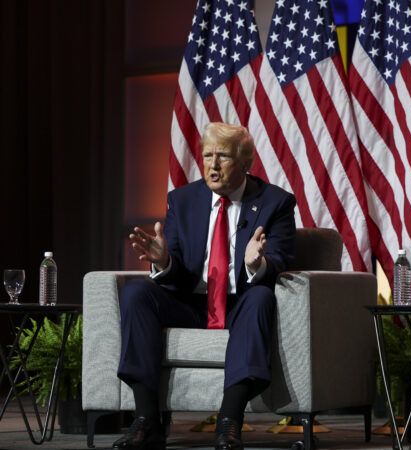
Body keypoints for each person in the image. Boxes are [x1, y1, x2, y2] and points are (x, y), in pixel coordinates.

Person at [113, 122, 296, 450]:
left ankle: (229, 423)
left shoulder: (275, 203)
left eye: (223, 156)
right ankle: (146, 422)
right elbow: (178, 272)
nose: (212, 165)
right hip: (190, 303)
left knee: (260, 297)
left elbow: (281, 258)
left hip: (240, 301)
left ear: (245, 162)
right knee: (136, 293)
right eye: (207, 155)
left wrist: (257, 264)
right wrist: (164, 261)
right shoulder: (182, 200)